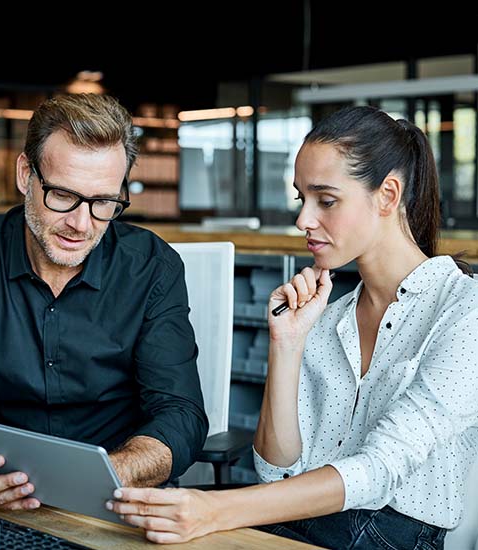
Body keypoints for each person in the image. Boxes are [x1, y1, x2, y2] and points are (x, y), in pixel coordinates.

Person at [109, 105, 478, 549]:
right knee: (137, 528)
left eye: (326, 200)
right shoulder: (330, 317)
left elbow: (380, 470)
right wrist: (287, 344)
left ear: (388, 194)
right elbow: (275, 469)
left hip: (391, 533)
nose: (303, 219)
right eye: (301, 199)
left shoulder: (464, 310)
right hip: (312, 520)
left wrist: (215, 511)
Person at [0, 93, 208, 511]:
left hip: (116, 497)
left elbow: (180, 414)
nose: (80, 223)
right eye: (61, 195)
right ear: (25, 175)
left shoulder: (153, 267)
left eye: (103, 203)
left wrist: (107, 474)